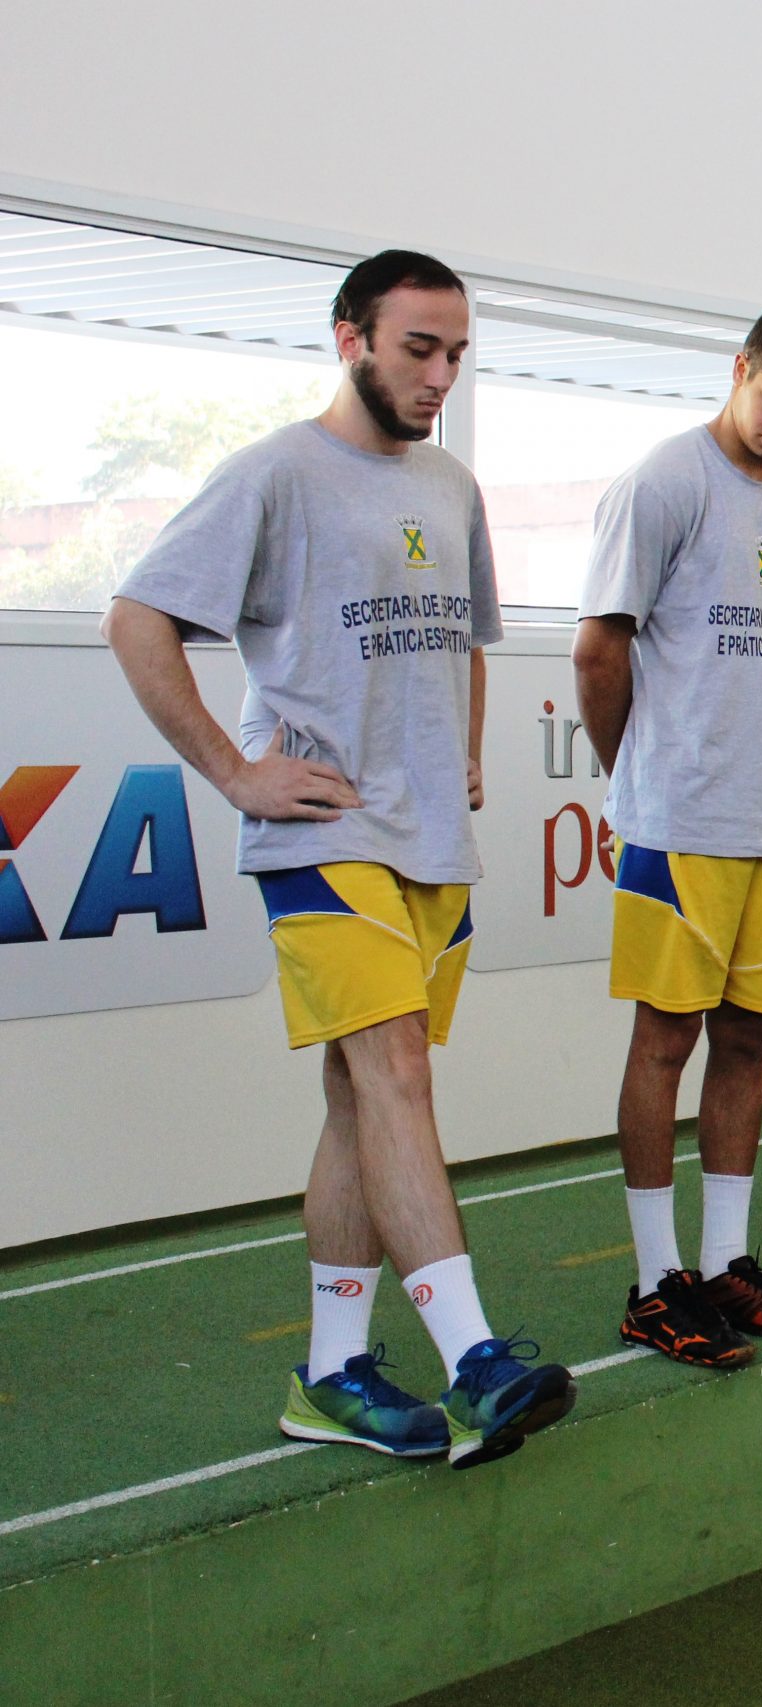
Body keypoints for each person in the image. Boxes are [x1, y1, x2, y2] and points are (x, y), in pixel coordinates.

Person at [100, 250, 574, 1468]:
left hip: (429, 838)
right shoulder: (273, 475)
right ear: (350, 337)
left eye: (458, 353)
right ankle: (474, 1354)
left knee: (362, 1097)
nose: (440, 374)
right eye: (419, 347)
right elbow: (138, 617)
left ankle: (329, 1373)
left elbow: (466, 636)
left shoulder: (452, 486)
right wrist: (237, 771)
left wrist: (462, 753)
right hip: (320, 832)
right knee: (397, 1073)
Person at [573, 298, 762, 1366]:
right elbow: (600, 654)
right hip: (678, 823)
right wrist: (634, 777)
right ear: (741, 368)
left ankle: (727, 1266)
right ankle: (654, 1285)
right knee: (665, 1043)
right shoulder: (664, 483)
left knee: (746, 1041)